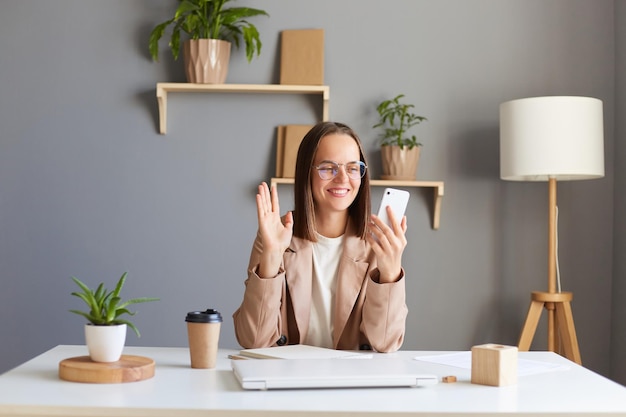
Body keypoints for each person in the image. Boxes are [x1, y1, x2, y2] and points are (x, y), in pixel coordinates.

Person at [233, 121, 408, 353]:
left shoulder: (376, 243)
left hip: (352, 382)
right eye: (328, 168)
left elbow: (386, 343)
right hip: (289, 381)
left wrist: (390, 272)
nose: (343, 178)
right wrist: (272, 259)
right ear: (307, 172)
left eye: (353, 168)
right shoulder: (277, 233)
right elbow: (253, 340)